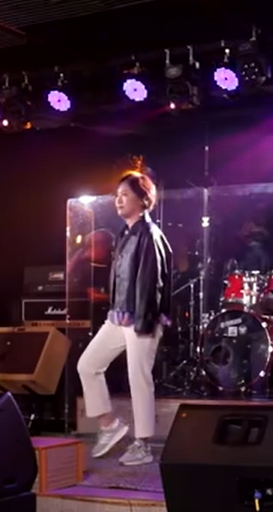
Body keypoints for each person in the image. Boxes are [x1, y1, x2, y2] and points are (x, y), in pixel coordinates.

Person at [77, 170, 172, 466]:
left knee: (138, 378)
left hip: (142, 317)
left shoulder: (150, 235)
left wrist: (143, 321)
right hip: (120, 315)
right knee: (88, 365)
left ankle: (142, 444)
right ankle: (109, 425)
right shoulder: (126, 233)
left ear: (143, 200)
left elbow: (153, 283)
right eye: (116, 195)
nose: (118, 200)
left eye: (125, 195)